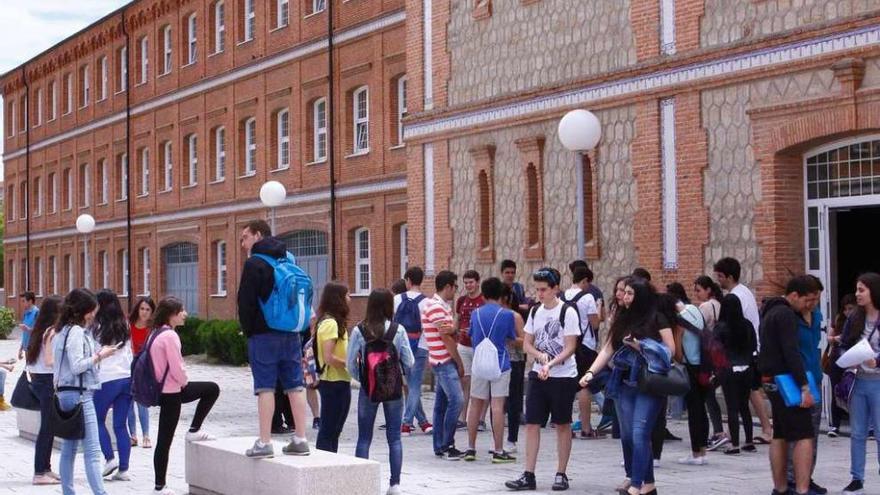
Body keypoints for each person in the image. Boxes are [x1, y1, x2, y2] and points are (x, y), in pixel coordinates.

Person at [581, 277, 674, 495]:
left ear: (640, 296)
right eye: (624, 292)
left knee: (641, 432)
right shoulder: (622, 319)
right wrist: (590, 373)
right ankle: (647, 484)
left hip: (649, 383)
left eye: (630, 293)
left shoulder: (657, 318)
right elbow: (607, 350)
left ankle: (636, 484)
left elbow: (670, 351)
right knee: (628, 435)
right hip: (623, 382)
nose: (624, 296)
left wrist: (641, 346)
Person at [238, 219, 311, 457]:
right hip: (291, 333)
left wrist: (249, 331)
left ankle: (265, 442)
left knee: (265, 387)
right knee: (295, 386)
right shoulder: (288, 258)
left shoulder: (255, 264)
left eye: (245, 237)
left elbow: (246, 302)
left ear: (258, 235)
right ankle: (300, 438)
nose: (242, 243)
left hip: (263, 334)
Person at [505, 267, 580, 491]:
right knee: (532, 423)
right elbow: (527, 342)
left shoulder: (568, 312)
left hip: (563, 375)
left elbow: (570, 347)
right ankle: (528, 473)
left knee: (562, 424)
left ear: (555, 288)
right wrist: (539, 357)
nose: (540, 294)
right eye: (537, 289)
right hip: (539, 374)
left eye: (544, 290)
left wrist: (551, 363)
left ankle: (561, 473)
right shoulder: (536, 311)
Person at [347, 289, 414, 495]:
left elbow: (350, 365)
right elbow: (409, 361)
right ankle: (394, 485)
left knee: (364, 438)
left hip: (369, 390)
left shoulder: (359, 330)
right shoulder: (398, 330)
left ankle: (362, 485)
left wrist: (366, 378)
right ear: (389, 306)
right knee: (394, 438)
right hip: (393, 389)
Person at [150, 296, 218, 495]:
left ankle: (159, 485)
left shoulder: (156, 333)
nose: (185, 314)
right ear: (172, 315)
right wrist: (184, 382)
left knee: (163, 439)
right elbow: (177, 368)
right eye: (182, 311)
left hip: (163, 391)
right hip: (173, 391)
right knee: (212, 389)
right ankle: (159, 487)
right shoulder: (170, 336)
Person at [757, 275, 819, 495]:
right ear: (794, 295)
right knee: (804, 436)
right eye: (809, 300)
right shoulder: (786, 315)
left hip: (771, 379)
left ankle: (780, 488)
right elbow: (791, 351)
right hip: (787, 382)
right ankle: (802, 489)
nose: (811, 305)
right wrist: (804, 387)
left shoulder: (769, 310)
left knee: (780, 435)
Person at [53, 288, 117, 495]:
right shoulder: (76, 332)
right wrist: (101, 356)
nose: (94, 315)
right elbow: (77, 365)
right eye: (92, 311)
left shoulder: (62, 331)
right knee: (92, 451)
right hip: (79, 394)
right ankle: (100, 493)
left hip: (66, 392)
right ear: (83, 310)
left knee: (69, 449)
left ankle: (68, 492)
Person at [714, 257, 773, 444]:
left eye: (721, 276)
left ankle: (765, 428)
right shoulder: (744, 292)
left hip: (743, 352)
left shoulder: (735, 297)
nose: (719, 280)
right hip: (749, 349)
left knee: (750, 392)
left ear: (730, 276)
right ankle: (756, 431)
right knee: (749, 392)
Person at [463, 277, 519, 463]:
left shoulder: (475, 314)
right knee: (497, 407)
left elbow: (471, 335)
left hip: (479, 363)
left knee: (475, 404)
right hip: (500, 363)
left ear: (484, 294)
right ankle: (498, 450)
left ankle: (470, 448)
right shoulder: (507, 314)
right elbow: (511, 338)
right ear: (501, 294)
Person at [838, 272, 880, 495]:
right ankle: (857, 479)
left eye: (862, 290)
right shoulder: (855, 317)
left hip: (879, 381)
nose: (857, 294)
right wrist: (851, 356)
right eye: (857, 290)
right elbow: (843, 344)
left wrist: (877, 360)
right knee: (857, 433)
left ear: (874, 291)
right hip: (858, 381)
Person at [785, 276, 827, 495]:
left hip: (815, 377)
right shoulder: (790, 318)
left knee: (813, 433)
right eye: (809, 299)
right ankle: (792, 479)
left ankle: (807, 477)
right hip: (797, 380)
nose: (812, 304)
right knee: (797, 434)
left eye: (816, 300)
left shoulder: (816, 315)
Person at [664, 286, 711, 467]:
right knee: (702, 410)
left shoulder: (678, 321)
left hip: (690, 368)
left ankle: (695, 453)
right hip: (705, 365)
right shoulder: (694, 310)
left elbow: (677, 354)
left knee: (694, 410)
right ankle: (703, 451)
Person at [92, 290, 134, 481]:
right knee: (120, 425)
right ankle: (123, 470)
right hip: (127, 377)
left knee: (96, 419)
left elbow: (94, 353)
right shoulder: (125, 324)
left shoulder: (97, 326)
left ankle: (109, 458)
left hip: (106, 378)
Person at [424, 270, 466, 460]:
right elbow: (446, 337)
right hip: (444, 360)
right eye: (455, 286)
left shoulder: (439, 306)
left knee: (441, 405)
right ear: (448, 286)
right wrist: (459, 361)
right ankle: (448, 444)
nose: (455, 290)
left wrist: (454, 329)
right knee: (457, 401)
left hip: (438, 359)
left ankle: (439, 445)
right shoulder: (436, 307)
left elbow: (449, 331)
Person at [26, 295, 63, 485]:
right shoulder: (51, 332)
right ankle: (39, 472)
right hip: (47, 381)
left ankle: (46, 468)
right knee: (47, 428)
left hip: (37, 380)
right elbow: (51, 362)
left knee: (48, 426)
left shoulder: (39, 331)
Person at [714, 295, 756, 455]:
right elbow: (753, 345)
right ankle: (749, 441)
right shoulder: (747, 325)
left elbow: (716, 350)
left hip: (729, 369)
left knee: (732, 406)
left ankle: (735, 445)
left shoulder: (721, 327)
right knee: (744, 405)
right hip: (746, 367)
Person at [564, 265, 602, 439]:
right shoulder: (587, 298)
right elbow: (595, 324)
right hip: (585, 346)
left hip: (567, 345)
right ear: (585, 280)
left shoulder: (562, 296)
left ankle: (567, 428)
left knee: (567, 387)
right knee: (584, 386)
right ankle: (586, 428)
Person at [395, 266, 433, 436]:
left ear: (408, 281)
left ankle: (423, 422)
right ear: (421, 280)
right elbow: (428, 328)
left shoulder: (396, 299)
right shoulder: (427, 302)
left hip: (401, 347)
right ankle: (407, 423)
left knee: (411, 385)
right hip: (421, 346)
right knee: (415, 384)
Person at [314, 282, 352, 453]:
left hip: (339, 380)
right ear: (339, 299)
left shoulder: (331, 321)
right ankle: (324, 463)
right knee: (329, 429)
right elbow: (329, 357)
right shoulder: (331, 323)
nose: (349, 298)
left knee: (334, 429)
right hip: (333, 381)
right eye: (347, 295)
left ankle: (331, 460)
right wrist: (350, 364)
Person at [693, 275, 727, 450]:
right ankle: (720, 431)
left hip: (708, 355)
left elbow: (697, 326)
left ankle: (718, 432)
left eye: (699, 290)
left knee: (707, 394)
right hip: (722, 354)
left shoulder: (706, 306)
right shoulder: (721, 305)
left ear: (708, 290)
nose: (697, 294)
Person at [455, 270, 486, 430]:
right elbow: (458, 319)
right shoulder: (461, 300)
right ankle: (462, 417)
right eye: (466, 282)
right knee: (465, 381)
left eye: (471, 282)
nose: (468, 285)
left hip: (480, 347)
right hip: (463, 345)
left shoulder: (484, 301)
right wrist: (456, 332)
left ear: (477, 282)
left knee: (481, 381)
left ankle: (481, 419)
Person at [500, 284, 526, 453]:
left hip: (515, 361)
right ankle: (499, 440)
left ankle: (512, 439)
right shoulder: (496, 314)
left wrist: (510, 339)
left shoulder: (515, 316)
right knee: (499, 402)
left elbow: (525, 341)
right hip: (498, 361)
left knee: (514, 401)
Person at [826, 293, 856, 437]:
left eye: (851, 308)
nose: (848, 312)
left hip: (854, 360)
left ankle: (859, 423)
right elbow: (829, 338)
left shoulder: (861, 321)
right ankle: (835, 425)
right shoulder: (839, 320)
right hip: (837, 360)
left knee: (854, 392)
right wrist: (835, 338)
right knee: (836, 391)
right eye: (845, 309)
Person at [128, 296, 155, 448]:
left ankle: (146, 435)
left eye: (148, 310)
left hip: (144, 369)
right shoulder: (129, 324)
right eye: (142, 309)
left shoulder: (152, 329)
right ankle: (133, 435)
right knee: (129, 402)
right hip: (128, 367)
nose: (144, 312)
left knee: (142, 402)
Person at [19, 291, 39, 360]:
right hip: (26, 348)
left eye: (23, 301)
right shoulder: (25, 313)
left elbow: (39, 331)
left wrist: (28, 329)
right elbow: (25, 333)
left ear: (30, 301)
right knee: (28, 368)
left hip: (33, 347)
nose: (21, 304)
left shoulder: (37, 312)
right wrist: (21, 348)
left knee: (32, 369)